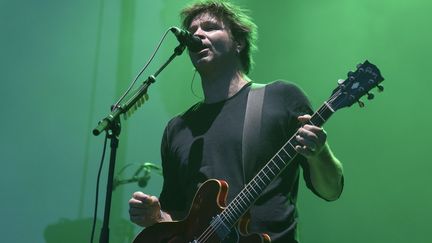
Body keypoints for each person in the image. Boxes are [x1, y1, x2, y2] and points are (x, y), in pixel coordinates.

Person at [129, 1, 344, 242]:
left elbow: (331, 190)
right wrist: (156, 217)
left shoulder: (281, 98)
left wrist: (319, 153)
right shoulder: (178, 128)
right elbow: (177, 216)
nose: (197, 34)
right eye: (193, 30)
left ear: (238, 43)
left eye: (210, 27)